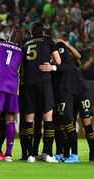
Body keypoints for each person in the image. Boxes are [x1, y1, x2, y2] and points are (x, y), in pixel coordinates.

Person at [39, 39, 94, 163]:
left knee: (86, 124)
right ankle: (66, 154)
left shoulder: (66, 60)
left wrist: (66, 44)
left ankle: (92, 154)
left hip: (81, 92)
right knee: (67, 123)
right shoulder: (56, 65)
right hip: (69, 93)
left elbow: (78, 56)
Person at [21, 22, 61, 163]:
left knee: (29, 120)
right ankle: (48, 154)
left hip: (28, 83)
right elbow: (58, 60)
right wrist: (52, 67)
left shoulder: (25, 42)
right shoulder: (48, 40)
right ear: (43, 31)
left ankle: (31, 155)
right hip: (43, 82)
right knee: (47, 118)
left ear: (31, 32)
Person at [0, 30, 23, 162]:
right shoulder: (21, 51)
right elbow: (22, 71)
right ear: (19, 41)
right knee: (10, 118)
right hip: (12, 87)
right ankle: (8, 155)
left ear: (8, 37)